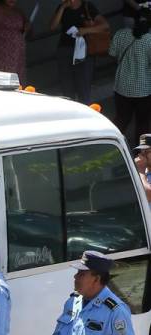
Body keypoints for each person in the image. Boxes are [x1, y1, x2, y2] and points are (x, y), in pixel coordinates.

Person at [50, 0, 109, 105]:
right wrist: (63, 7)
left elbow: (105, 25)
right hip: (65, 48)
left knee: (83, 86)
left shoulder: (87, 6)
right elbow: (52, 26)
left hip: (84, 50)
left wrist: (86, 30)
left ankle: (84, 111)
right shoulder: (62, 7)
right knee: (66, 87)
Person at [109, 12, 151, 149]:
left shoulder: (121, 34)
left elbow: (112, 53)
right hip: (144, 90)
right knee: (143, 123)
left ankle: (112, 144)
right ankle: (141, 152)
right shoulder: (149, 40)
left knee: (121, 120)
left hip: (122, 87)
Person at [135, 133, 151, 202]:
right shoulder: (145, 171)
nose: (142, 155)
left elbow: (148, 195)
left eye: (147, 151)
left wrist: (140, 170)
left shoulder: (142, 170)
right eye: (142, 151)